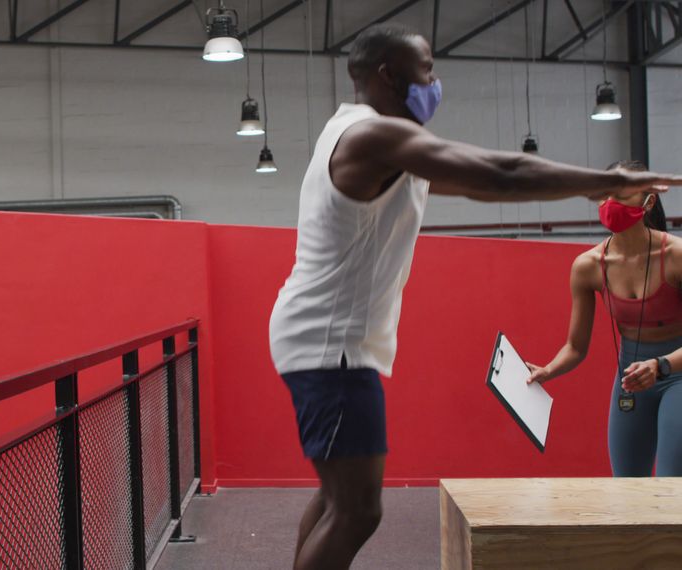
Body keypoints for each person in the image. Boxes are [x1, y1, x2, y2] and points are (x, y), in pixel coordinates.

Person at [268, 24, 682, 570]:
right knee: (358, 510)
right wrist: (602, 182)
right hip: (331, 346)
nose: (435, 83)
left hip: (325, 341)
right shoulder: (376, 137)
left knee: (335, 497)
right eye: (427, 71)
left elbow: (477, 179)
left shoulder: (366, 137)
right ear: (389, 77)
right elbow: (500, 173)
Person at [527, 160, 682, 478]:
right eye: (604, 193)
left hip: (677, 373)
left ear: (648, 200)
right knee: (626, 488)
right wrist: (548, 370)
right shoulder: (588, 266)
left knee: (672, 488)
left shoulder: (676, 257)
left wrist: (661, 365)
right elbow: (575, 346)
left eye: (620, 194)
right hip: (631, 378)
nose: (609, 203)